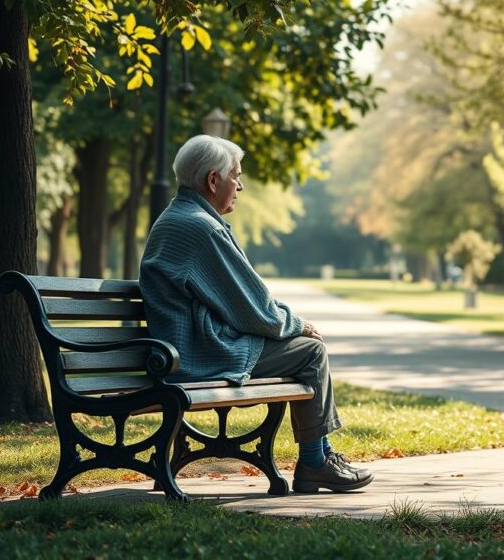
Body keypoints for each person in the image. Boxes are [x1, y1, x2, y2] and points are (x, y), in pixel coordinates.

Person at [139, 134, 372, 493]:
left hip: (185, 348)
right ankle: (315, 463)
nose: (241, 185)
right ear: (212, 180)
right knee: (310, 352)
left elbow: (246, 298)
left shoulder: (184, 217)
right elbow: (253, 310)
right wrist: (298, 325)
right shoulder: (201, 228)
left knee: (302, 346)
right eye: (235, 175)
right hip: (199, 354)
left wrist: (286, 322)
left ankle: (321, 456)